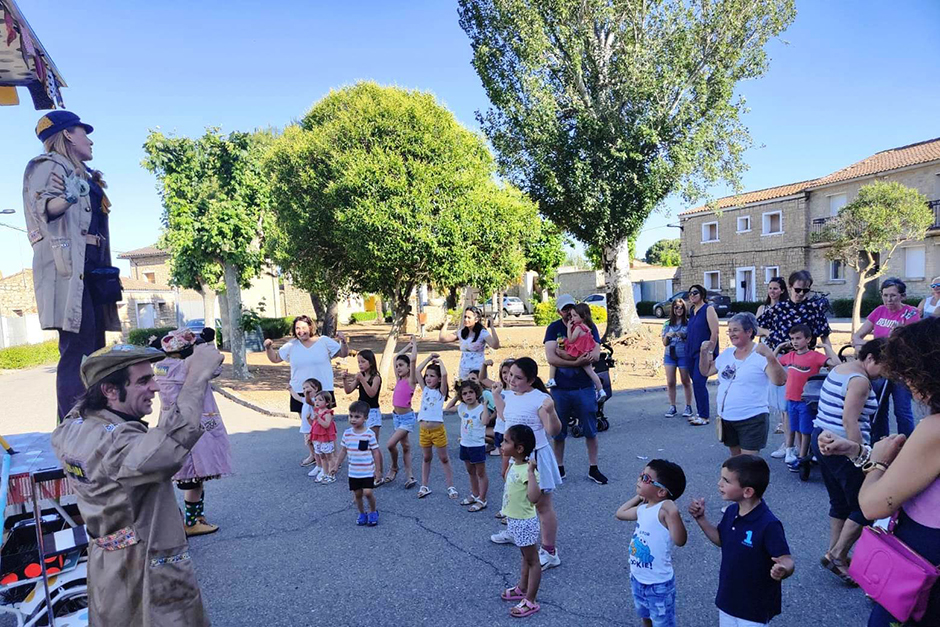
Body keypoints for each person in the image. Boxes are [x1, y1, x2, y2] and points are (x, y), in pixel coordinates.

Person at [51, 341, 223, 626]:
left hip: (107, 569)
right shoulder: (116, 443)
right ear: (109, 390)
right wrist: (196, 378)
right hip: (143, 571)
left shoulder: (71, 428)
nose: (154, 387)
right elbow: (170, 445)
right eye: (143, 380)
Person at [817, 318, 940, 626]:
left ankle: (837, 552)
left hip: (922, 557)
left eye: (910, 376)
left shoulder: (934, 429)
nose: (909, 387)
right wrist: (854, 449)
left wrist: (881, 462)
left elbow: (872, 504)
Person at [24, 112, 122, 422]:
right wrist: (67, 197)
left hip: (93, 266)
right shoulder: (48, 166)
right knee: (75, 351)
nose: (89, 139)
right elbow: (46, 209)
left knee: (95, 349)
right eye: (84, 132)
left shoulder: (86, 172)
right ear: (68, 134)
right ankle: (71, 425)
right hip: (69, 268)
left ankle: (95, 419)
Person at [810, 337, 886, 585]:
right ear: (871, 358)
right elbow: (849, 421)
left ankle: (833, 551)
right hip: (841, 447)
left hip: (821, 438)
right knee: (865, 505)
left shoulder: (843, 367)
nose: (887, 374)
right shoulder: (860, 381)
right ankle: (838, 555)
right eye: (885, 367)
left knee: (840, 501)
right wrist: (860, 455)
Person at [688, 455, 795, 627]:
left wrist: (784, 569)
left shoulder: (769, 524)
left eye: (726, 480)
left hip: (754, 605)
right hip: (729, 598)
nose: (719, 483)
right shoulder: (731, 511)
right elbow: (721, 540)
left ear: (747, 492)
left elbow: (786, 559)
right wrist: (701, 519)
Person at [154, 328, 233, 537]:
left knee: (185, 475)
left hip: (169, 423)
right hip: (193, 421)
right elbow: (214, 367)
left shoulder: (160, 367)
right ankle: (193, 520)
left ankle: (190, 518)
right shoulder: (187, 366)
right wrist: (205, 345)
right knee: (195, 475)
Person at [491, 357, 564, 571]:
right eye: (510, 374)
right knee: (515, 499)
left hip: (536, 458)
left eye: (517, 377)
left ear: (531, 380)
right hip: (517, 458)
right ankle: (517, 533)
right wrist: (497, 396)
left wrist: (551, 412)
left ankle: (550, 552)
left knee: (542, 506)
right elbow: (506, 416)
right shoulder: (510, 394)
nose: (511, 379)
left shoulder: (540, 399)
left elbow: (553, 431)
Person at [263, 315, 349, 465]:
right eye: (297, 328)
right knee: (307, 426)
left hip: (323, 390)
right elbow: (275, 358)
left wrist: (343, 341)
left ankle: (332, 456)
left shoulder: (323, 342)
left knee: (326, 425)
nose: (300, 331)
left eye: (303, 327)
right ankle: (314, 456)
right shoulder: (291, 345)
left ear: (310, 327)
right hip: (300, 390)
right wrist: (268, 347)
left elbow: (343, 353)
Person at [699, 313, 787, 456]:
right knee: (735, 462)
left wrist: (770, 356)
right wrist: (703, 353)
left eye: (735, 330)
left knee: (747, 466)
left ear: (749, 331)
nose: (731, 334)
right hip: (727, 418)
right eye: (729, 330)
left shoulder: (760, 353)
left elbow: (780, 380)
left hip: (752, 418)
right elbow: (706, 370)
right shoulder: (727, 353)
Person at [543, 294, 608, 485]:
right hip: (561, 388)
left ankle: (593, 468)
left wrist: (571, 359)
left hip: (584, 387)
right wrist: (578, 361)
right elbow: (551, 357)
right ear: (558, 311)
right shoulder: (553, 328)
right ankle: (559, 468)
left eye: (571, 309)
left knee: (591, 429)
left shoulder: (589, 326)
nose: (568, 313)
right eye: (564, 309)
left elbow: (595, 355)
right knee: (559, 431)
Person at [616, 460, 688, 627]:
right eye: (641, 475)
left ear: (662, 491)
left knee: (663, 623)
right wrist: (639, 497)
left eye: (646, 478)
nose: (639, 479)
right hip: (637, 578)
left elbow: (680, 540)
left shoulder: (665, 512)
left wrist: (674, 512)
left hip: (659, 584)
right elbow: (620, 513)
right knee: (645, 617)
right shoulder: (643, 509)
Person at [852, 277, 920, 440]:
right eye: (885, 295)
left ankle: (907, 446)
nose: (889, 300)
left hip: (900, 369)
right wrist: (872, 346)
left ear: (902, 296)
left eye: (893, 295)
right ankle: (880, 444)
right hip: (879, 368)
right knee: (878, 408)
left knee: (902, 411)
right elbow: (857, 337)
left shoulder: (911, 313)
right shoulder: (879, 311)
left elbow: (909, 342)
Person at [773, 324, 839, 473]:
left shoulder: (815, 356)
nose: (795, 342)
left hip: (805, 400)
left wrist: (827, 348)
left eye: (798, 338)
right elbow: (772, 362)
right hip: (791, 398)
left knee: (805, 429)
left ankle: (803, 457)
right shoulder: (790, 356)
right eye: (792, 339)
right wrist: (778, 348)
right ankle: (799, 452)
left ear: (808, 339)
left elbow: (836, 364)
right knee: (795, 428)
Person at [498, 424, 543, 618]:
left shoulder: (528, 470)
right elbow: (506, 480)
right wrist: (505, 457)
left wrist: (532, 473)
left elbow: (534, 497)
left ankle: (531, 600)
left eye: (506, 441)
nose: (502, 443)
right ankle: (522, 587)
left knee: (533, 560)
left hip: (525, 522)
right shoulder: (514, 464)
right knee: (525, 557)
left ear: (519, 448)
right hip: (515, 520)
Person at [756, 270, 832, 351]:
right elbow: (756, 327)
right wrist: (767, 332)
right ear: (790, 287)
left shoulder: (814, 309)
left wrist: (832, 359)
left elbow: (825, 338)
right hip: (781, 357)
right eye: (798, 290)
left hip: (805, 357)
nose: (801, 293)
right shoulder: (779, 308)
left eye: (805, 290)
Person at [756, 277, 790, 455]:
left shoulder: (785, 308)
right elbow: (755, 328)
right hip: (766, 349)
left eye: (776, 288)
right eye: (770, 288)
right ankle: (778, 416)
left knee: (779, 385)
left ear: (782, 290)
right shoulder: (763, 308)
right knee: (767, 385)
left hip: (780, 351)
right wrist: (767, 331)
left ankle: (783, 423)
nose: (772, 291)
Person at [415, 353, 456, 499]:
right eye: (427, 375)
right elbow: (416, 371)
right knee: (426, 458)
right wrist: (428, 359)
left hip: (437, 431)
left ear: (438, 379)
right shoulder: (425, 389)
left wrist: (440, 361)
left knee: (444, 458)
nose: (428, 378)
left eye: (432, 376)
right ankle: (424, 485)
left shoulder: (440, 392)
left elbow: (444, 374)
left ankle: (450, 486)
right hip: (424, 430)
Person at [335, 400, 381, 526]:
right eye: (351, 416)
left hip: (367, 470)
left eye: (357, 417)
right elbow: (343, 450)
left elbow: (376, 452)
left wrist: (378, 470)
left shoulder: (369, 434)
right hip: (354, 472)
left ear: (365, 418)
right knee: (358, 495)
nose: (353, 419)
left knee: (368, 492)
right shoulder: (347, 434)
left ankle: (373, 511)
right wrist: (336, 465)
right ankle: (362, 513)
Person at [548, 303, 606, 401]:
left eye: (574, 315)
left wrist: (569, 328)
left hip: (576, 350)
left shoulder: (578, 328)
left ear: (582, 317)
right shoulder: (588, 327)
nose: (572, 318)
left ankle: (551, 379)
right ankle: (601, 390)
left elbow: (571, 340)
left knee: (558, 353)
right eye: (568, 312)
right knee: (591, 372)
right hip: (585, 351)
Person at [343, 348, 384, 483]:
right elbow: (348, 390)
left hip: (372, 412)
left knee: (372, 444)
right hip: (361, 412)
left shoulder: (376, 377)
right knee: (362, 444)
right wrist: (345, 379)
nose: (360, 364)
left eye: (363, 361)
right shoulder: (360, 376)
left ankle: (378, 474)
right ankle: (366, 471)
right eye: (358, 362)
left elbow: (372, 393)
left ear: (371, 362)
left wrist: (362, 380)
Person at [448, 379, 490, 511]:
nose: (468, 396)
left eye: (471, 392)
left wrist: (484, 406)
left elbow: (485, 421)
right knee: (470, 471)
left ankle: (482, 499)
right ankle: (474, 493)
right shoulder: (462, 407)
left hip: (477, 445)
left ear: (476, 393)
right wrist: (456, 396)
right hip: (465, 444)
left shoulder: (480, 408)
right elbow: (448, 408)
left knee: (481, 473)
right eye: (464, 394)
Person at [385, 338, 418, 487]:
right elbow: (394, 358)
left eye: (401, 365)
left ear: (408, 368)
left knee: (390, 444)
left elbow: (413, 361)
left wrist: (415, 345)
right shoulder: (399, 379)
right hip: (396, 417)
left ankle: (394, 467)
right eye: (397, 366)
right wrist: (407, 346)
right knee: (405, 446)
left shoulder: (411, 380)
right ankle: (410, 476)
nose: (398, 368)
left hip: (407, 418)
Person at [685, 285, 720, 426]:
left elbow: (714, 332)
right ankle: (700, 413)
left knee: (700, 381)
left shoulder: (708, 309)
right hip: (691, 352)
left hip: (704, 353)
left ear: (702, 294)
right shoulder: (692, 311)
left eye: (695, 293)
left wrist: (710, 351)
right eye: (690, 293)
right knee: (696, 383)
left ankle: (704, 416)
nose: (692, 295)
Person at [438, 306, 500, 380]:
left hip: (478, 370)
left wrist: (492, 328)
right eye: (465, 317)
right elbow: (442, 339)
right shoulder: (461, 332)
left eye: (469, 317)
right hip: (464, 370)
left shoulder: (482, 333)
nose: (466, 319)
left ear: (476, 319)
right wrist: (447, 322)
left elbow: (495, 345)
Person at [661, 299, 693, 419]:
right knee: (670, 381)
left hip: (683, 355)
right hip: (670, 355)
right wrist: (668, 337)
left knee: (685, 380)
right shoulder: (667, 324)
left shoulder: (688, 323)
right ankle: (672, 406)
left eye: (681, 308)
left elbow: (691, 340)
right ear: (672, 309)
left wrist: (683, 336)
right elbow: (664, 343)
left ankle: (688, 405)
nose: (678, 310)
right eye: (676, 308)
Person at [482, 358, 515, 457]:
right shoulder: (499, 388)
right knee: (504, 458)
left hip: (512, 429)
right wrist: (484, 365)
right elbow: (483, 379)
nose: (507, 375)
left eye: (511, 372)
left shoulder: (519, 390)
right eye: (504, 372)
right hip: (499, 429)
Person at [308, 390, 337, 484]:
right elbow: (314, 425)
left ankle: (331, 474)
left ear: (327, 402)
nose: (317, 402)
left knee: (329, 456)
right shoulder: (317, 411)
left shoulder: (328, 413)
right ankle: (324, 472)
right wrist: (309, 420)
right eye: (316, 400)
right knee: (322, 456)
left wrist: (318, 418)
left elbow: (326, 425)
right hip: (318, 438)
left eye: (320, 400)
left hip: (326, 438)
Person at [298, 378, 323, 477]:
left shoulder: (315, 401)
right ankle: (318, 465)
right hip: (306, 428)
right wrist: (291, 390)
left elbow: (309, 401)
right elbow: (297, 398)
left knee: (319, 448)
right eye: (303, 388)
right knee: (311, 446)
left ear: (316, 388)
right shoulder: (305, 399)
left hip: (314, 429)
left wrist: (308, 395)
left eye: (307, 387)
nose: (305, 390)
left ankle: (323, 466)